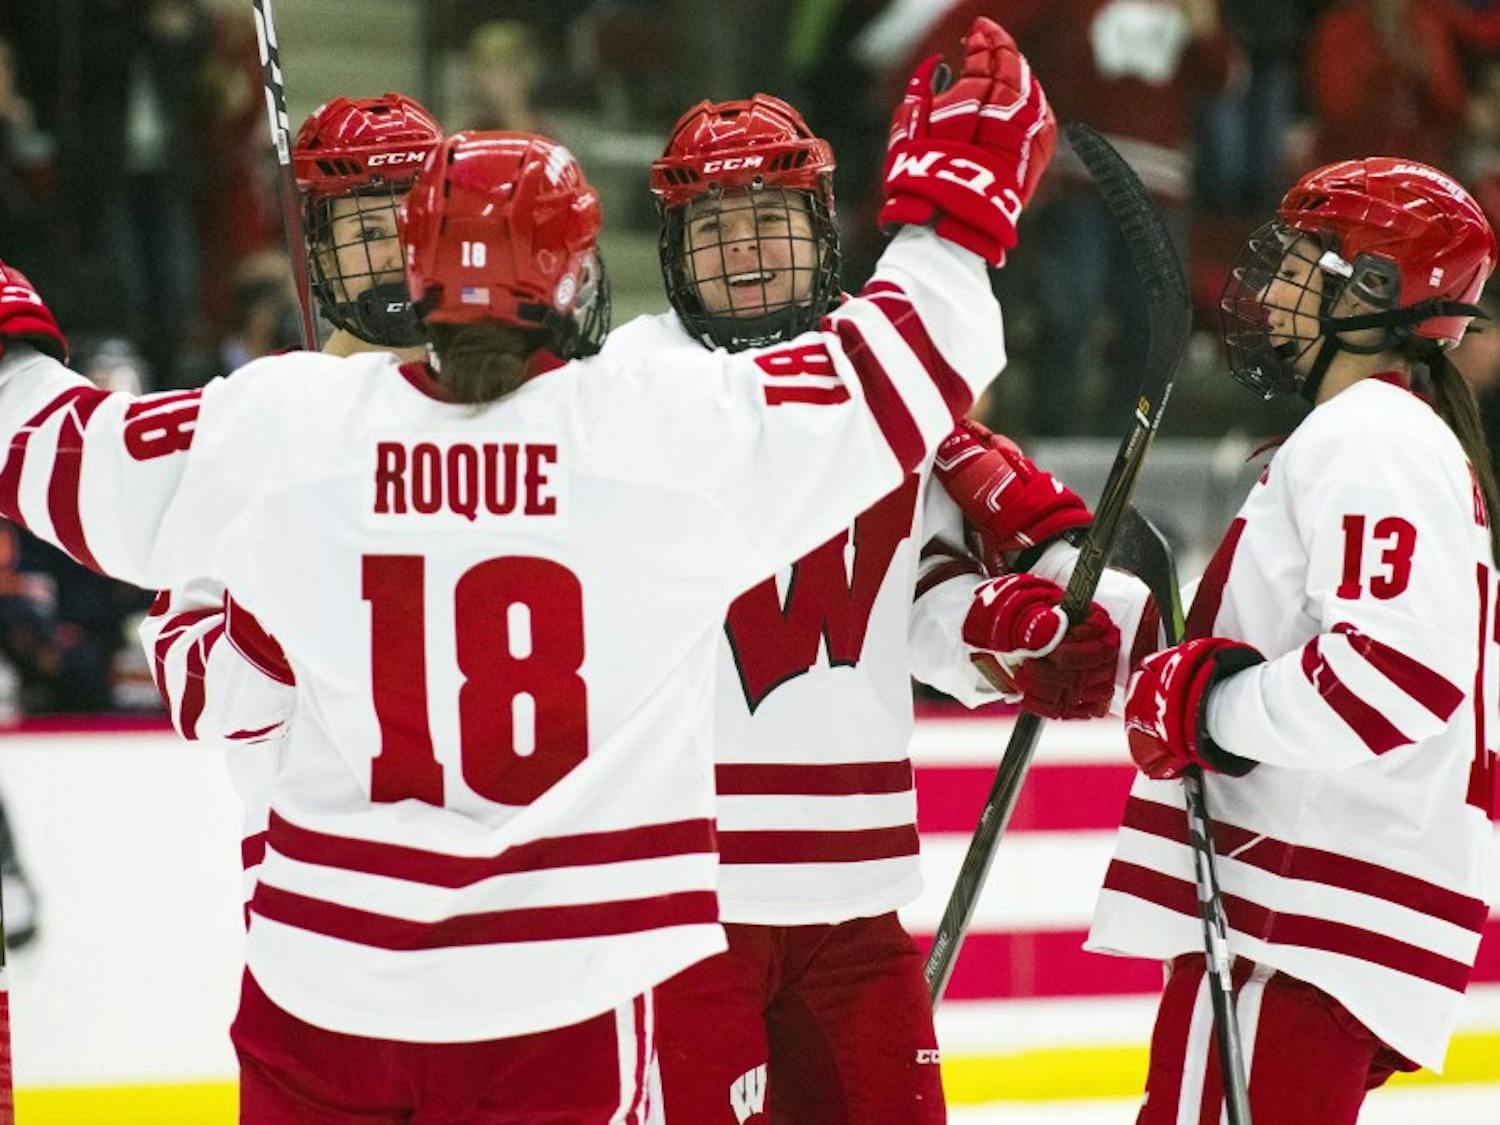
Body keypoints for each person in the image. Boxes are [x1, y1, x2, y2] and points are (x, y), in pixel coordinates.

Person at [0, 18, 1052, 1121]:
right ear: (575, 276)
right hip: (565, 989)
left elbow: (60, 461)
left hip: (324, 985)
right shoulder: (652, 435)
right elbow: (896, 370)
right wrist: (954, 217)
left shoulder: (285, 427)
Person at [614, 86, 1139, 1122]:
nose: (747, 249)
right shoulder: (632, 383)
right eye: (716, 227)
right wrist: (928, 421)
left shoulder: (882, 401)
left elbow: (909, 608)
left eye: (770, 218)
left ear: (820, 231)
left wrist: (1011, 636)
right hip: (683, 907)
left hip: (854, 901)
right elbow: (789, 411)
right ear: (675, 251)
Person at [1090, 157, 1499, 1123]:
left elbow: (1389, 677)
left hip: (1294, 912)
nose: (1270, 290)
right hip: (1318, 917)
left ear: (1376, 290)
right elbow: (1283, 645)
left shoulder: (1371, 436)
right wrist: (1131, 658)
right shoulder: (1396, 440)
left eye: (1303, 264)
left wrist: (1207, 708)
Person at [140, 92, 443, 908]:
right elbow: (197, 692)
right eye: (364, 229)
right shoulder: (262, 416)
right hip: (315, 887)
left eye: (409, 219)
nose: (392, 250)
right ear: (319, 248)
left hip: (502, 890)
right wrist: (301, 578)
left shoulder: (523, 405)